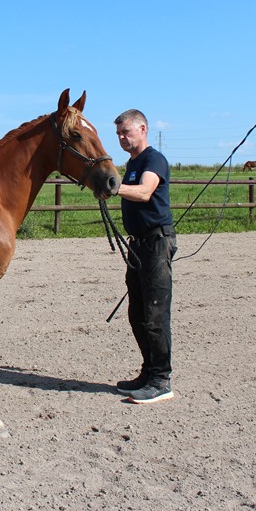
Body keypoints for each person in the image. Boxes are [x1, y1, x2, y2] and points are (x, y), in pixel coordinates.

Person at [113, 109, 177, 404]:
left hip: (156, 244)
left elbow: (145, 192)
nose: (121, 138)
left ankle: (161, 380)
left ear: (143, 129)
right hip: (138, 247)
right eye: (118, 134)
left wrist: (115, 187)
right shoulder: (132, 163)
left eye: (125, 132)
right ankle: (148, 372)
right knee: (137, 314)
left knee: (154, 314)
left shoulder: (153, 160)